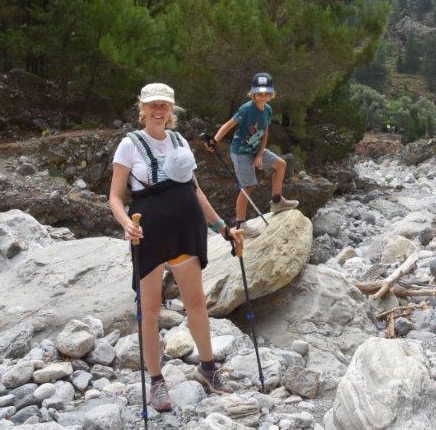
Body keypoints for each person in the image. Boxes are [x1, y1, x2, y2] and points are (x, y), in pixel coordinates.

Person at [109, 83, 244, 411]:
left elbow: (195, 191)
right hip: (149, 233)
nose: (158, 111)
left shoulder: (181, 141)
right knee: (150, 311)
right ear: (142, 109)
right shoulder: (129, 144)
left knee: (196, 304)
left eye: (164, 106)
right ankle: (156, 382)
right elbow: (114, 196)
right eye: (153, 105)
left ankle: (208, 368)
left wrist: (223, 227)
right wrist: (126, 224)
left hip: (186, 229)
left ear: (172, 111)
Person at [208, 72, 298, 237]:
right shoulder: (247, 109)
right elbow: (228, 125)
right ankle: (241, 225)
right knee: (247, 187)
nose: (262, 96)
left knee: (281, 164)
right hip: (241, 152)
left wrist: (259, 155)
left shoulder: (268, 110)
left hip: (256, 149)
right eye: (259, 93)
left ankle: (277, 202)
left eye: (266, 93)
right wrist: (215, 140)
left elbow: (264, 133)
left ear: (271, 95)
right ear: (253, 93)